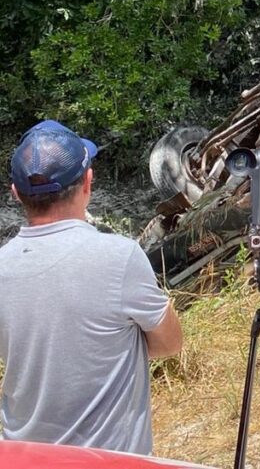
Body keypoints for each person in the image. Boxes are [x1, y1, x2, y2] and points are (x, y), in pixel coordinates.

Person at [0, 120, 183, 455]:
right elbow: (170, 343)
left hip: (21, 458)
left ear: (15, 193)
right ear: (88, 181)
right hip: (107, 460)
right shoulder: (120, 257)